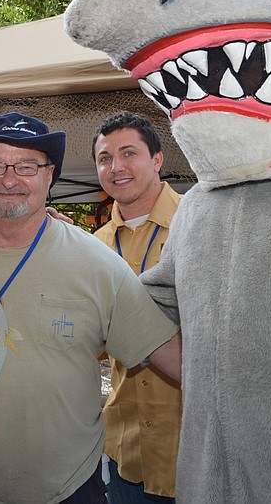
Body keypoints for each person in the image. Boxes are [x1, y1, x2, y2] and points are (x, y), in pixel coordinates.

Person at [0, 112, 182, 504]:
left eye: (27, 166)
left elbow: (175, 359)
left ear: (49, 177)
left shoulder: (97, 263)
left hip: (70, 489)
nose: (11, 178)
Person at [92, 112, 182, 504]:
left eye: (129, 153)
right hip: (125, 454)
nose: (117, 167)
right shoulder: (93, 246)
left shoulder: (196, 224)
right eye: (105, 158)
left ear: (157, 159)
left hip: (194, 450)